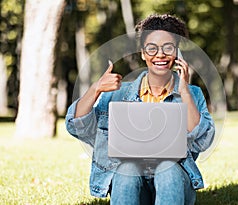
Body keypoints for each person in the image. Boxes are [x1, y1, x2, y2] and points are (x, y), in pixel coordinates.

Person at [66, 14, 215, 205]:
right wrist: (95, 89)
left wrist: (184, 91)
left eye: (167, 48)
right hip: (130, 182)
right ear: (143, 53)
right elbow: (76, 126)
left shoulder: (192, 93)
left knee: (167, 168)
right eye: (151, 48)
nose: (159, 55)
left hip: (174, 180)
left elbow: (203, 139)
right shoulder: (117, 94)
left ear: (176, 52)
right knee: (127, 169)